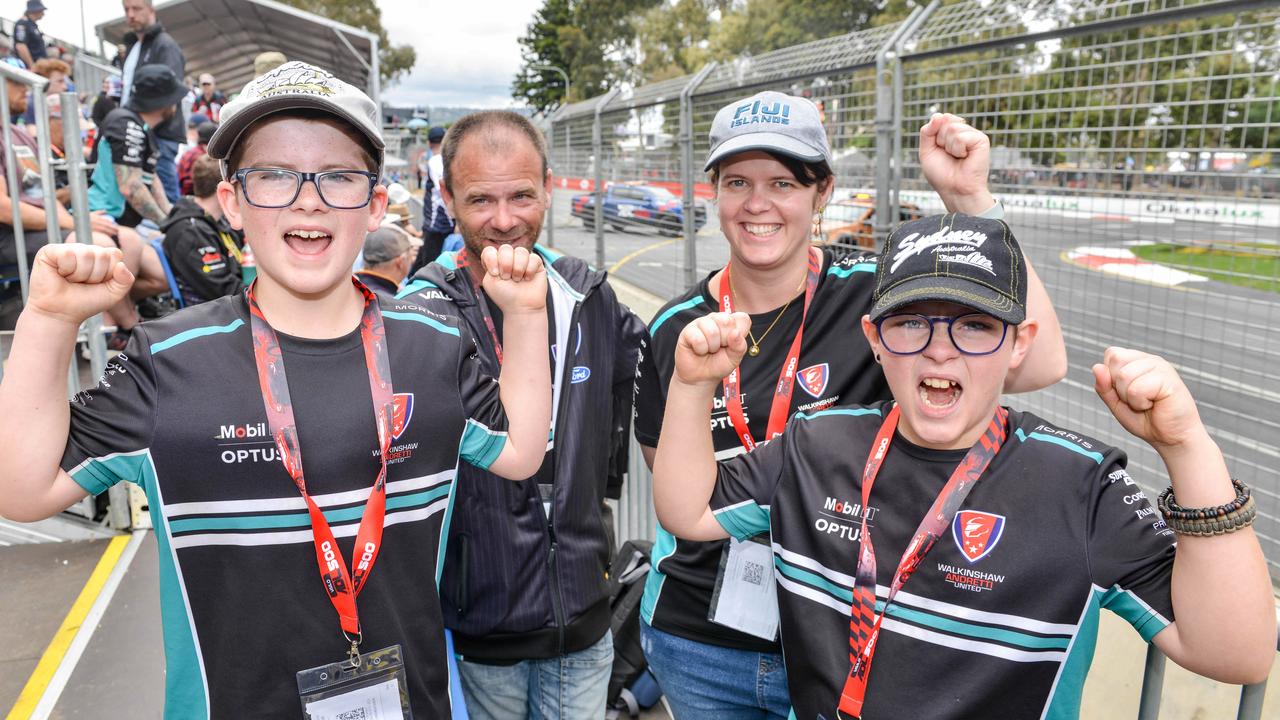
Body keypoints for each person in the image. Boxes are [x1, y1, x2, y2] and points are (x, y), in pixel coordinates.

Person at [0, 60, 554, 719]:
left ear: (377, 204)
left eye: (339, 176)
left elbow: (521, 451)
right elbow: (24, 491)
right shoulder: (168, 358)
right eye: (274, 175)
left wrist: (524, 316)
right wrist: (48, 322)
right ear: (232, 201)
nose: (308, 197)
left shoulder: (433, 341)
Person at [651, 212, 1276, 719]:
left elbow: (1237, 653)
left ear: (1019, 344)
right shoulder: (817, 442)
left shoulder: (1081, 483)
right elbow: (689, 509)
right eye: (911, 323)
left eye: (975, 325)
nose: (940, 349)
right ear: (874, 338)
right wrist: (689, 385)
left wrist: (1188, 446)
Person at [632, 91, 1068, 719]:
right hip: (696, 637)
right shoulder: (677, 328)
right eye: (737, 182)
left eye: (783, 182)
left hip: (840, 637)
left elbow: (1043, 361)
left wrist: (970, 202)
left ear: (823, 192)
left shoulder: (875, 294)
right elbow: (669, 477)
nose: (757, 204)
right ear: (715, 194)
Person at [397, 110, 647, 719]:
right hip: (477, 632)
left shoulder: (587, 293)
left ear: (549, 189)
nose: (504, 221)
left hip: (585, 619)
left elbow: (645, 383)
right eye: (480, 199)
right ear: (448, 199)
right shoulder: (420, 313)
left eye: (521, 196)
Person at [0, 60, 163, 335]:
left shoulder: (17, 134)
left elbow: (48, 196)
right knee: (98, 245)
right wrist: (75, 226)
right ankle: (125, 329)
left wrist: (78, 221)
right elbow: (4, 209)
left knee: (130, 240)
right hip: (11, 235)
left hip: (45, 224)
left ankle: (112, 329)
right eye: (16, 82)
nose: (26, 89)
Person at [89, 64, 184, 230]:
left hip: (124, 219)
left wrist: (169, 214)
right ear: (163, 102)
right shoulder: (125, 124)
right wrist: (167, 225)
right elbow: (131, 188)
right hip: (106, 216)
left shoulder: (139, 125)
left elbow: (150, 176)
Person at [120, 0, 186, 204]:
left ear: (151, 10)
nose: (131, 14)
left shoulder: (164, 45)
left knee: (165, 200)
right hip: (145, 133)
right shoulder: (135, 45)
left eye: (137, 9)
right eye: (127, 9)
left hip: (160, 136)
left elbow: (170, 96)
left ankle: (176, 234)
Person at [159, 154, 243, 306]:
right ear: (225, 189)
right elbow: (223, 290)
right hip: (218, 315)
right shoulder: (190, 232)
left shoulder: (219, 220)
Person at [409, 125, 452, 273]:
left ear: (429, 143)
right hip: (441, 220)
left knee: (429, 263)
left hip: (438, 221)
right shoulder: (444, 159)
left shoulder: (436, 160)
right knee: (425, 257)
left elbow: (442, 189)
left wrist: (453, 215)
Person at [355, 226, 413, 297]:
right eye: (410, 257)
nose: (412, 261)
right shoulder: (391, 303)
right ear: (400, 262)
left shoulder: (348, 289)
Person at [177, 119, 215, 197]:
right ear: (213, 138)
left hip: (182, 195)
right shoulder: (206, 158)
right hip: (197, 196)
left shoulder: (188, 153)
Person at [12, 0, 47, 68]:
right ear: (35, 10)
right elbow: (20, 46)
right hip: (27, 66)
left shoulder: (33, 25)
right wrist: (32, 65)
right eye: (41, 11)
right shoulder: (22, 24)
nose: (43, 14)